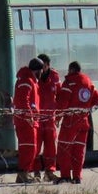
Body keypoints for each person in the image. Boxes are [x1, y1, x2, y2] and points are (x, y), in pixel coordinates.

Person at [55, 61, 98, 184]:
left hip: (70, 121)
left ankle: (65, 176)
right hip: (84, 120)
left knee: (64, 148)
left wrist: (57, 118)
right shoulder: (88, 81)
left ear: (71, 70)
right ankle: (77, 176)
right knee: (79, 150)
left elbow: (63, 103)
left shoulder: (69, 82)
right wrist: (86, 107)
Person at [11, 57, 43, 183]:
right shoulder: (27, 81)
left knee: (31, 148)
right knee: (28, 148)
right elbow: (23, 100)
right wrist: (29, 116)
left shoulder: (30, 81)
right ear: (38, 70)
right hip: (26, 121)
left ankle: (24, 173)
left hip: (29, 120)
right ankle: (22, 174)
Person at [36, 53, 61, 182]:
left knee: (51, 146)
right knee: (36, 145)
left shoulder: (54, 76)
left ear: (48, 65)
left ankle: (50, 171)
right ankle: (35, 172)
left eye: (44, 66)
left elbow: (60, 95)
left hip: (50, 117)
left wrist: (59, 114)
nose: (42, 69)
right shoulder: (34, 76)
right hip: (37, 117)